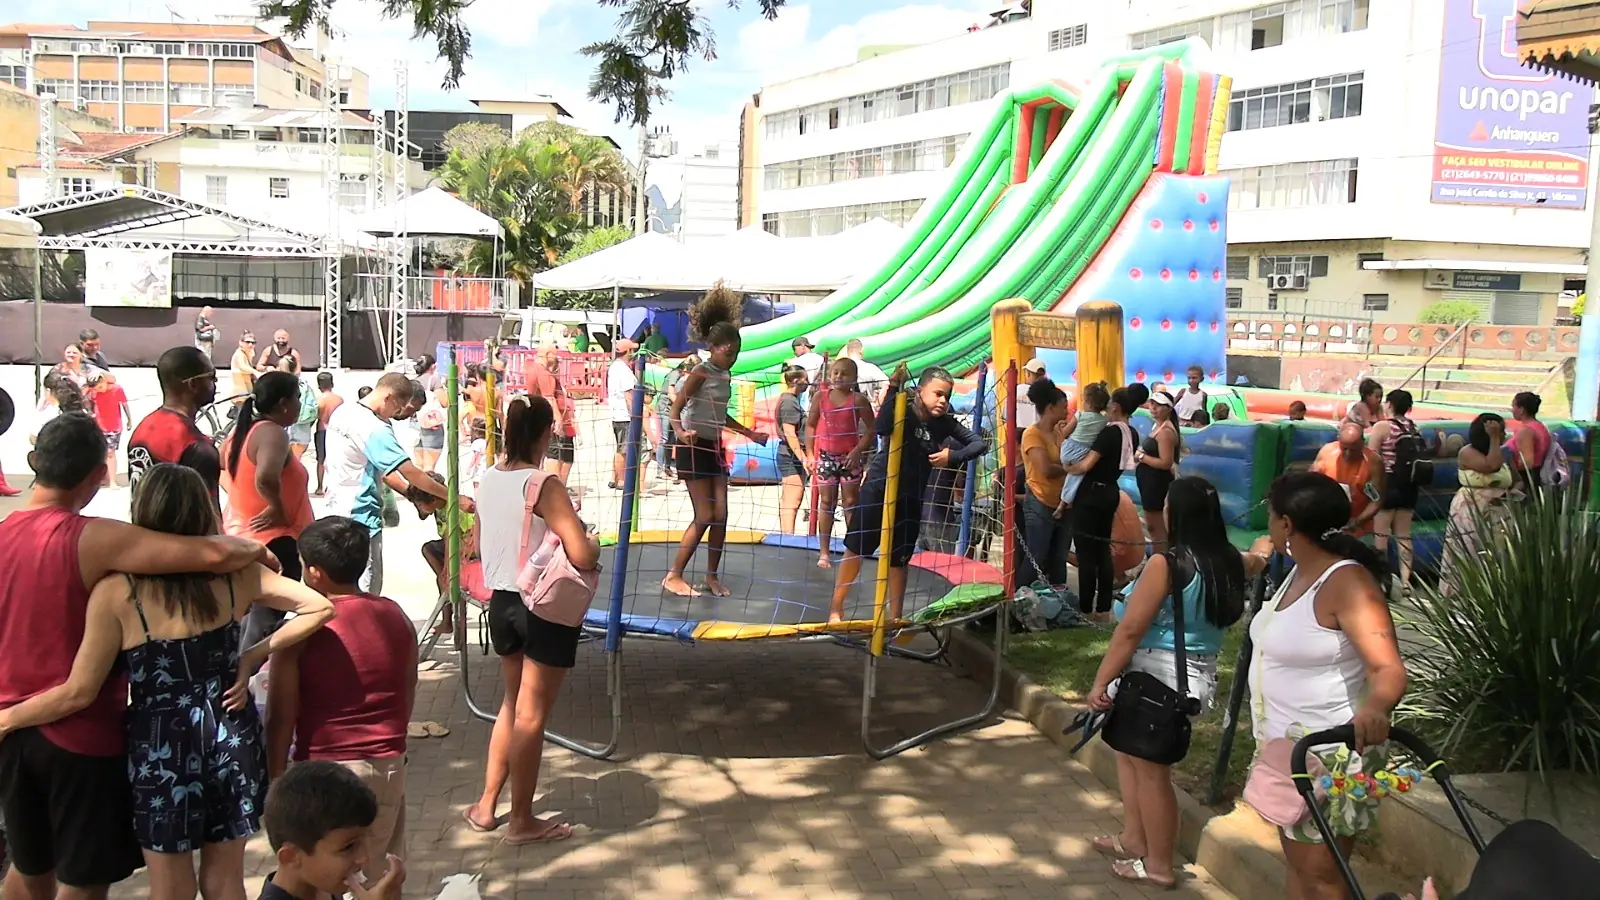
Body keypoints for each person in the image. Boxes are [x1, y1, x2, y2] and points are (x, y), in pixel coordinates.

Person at [0, 462, 333, 900]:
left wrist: (9, 718)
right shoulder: (238, 577)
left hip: (160, 743)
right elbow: (319, 607)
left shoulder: (119, 592)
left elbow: (79, 689)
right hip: (229, 730)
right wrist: (253, 656)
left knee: (170, 885)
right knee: (226, 877)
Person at [1246, 471, 1406, 900]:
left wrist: (1376, 707)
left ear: (1287, 524)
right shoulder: (1297, 574)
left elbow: (1389, 669)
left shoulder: (1347, 582)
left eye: (1272, 514)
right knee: (1301, 868)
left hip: (1333, 755)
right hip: (1287, 751)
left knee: (1323, 876)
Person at [1087, 476, 1249, 889]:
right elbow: (1257, 559)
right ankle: (1132, 837)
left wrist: (1101, 681)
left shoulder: (1168, 564)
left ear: (1176, 514)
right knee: (1129, 755)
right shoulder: (1229, 559)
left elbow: (1129, 630)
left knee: (1152, 773)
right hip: (1189, 677)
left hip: (1156, 677)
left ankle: (1157, 864)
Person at [465, 395, 599, 844]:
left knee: (510, 705)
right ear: (546, 434)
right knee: (531, 716)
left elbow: (481, 544)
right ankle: (521, 820)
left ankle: (486, 805)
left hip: (502, 602)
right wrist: (592, 544)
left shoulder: (488, 478)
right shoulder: (543, 484)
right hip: (542, 608)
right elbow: (579, 552)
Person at [265, 516, 416, 883]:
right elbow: (408, 690)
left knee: (326, 880)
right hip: (388, 764)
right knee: (382, 872)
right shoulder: (394, 614)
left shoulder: (301, 632)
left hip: (324, 774)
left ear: (314, 573)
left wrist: (275, 782)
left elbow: (280, 719)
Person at [830, 364, 987, 622]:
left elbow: (979, 443)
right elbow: (881, 427)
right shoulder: (904, 408)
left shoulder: (943, 423)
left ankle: (896, 616)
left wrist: (953, 456)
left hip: (911, 495)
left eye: (947, 395)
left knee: (899, 558)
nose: (943, 400)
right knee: (856, 548)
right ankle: (836, 607)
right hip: (880, 488)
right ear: (921, 390)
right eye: (937, 393)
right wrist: (893, 386)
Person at [663, 288, 769, 598]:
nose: (731, 358)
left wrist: (750, 434)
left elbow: (720, 415)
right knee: (705, 515)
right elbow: (675, 407)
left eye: (735, 353)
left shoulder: (726, 375)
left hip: (712, 446)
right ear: (712, 348)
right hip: (692, 446)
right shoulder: (700, 372)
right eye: (727, 353)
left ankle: (711, 576)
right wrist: (681, 433)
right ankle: (674, 575)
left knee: (721, 515)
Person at [324, 372, 464, 594]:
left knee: (341, 586)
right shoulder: (374, 428)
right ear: (389, 397)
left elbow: (382, 470)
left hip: (335, 510)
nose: (398, 413)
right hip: (359, 519)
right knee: (365, 590)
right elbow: (409, 471)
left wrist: (410, 495)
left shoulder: (343, 413)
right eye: (398, 407)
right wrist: (453, 497)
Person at [223, 371, 316, 649]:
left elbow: (223, 470)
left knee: (250, 623)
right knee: (259, 630)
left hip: (248, 536)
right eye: (298, 399)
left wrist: (244, 502)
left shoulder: (244, 431)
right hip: (274, 542)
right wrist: (275, 507)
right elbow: (265, 477)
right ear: (285, 403)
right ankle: (246, 684)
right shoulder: (272, 433)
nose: (301, 406)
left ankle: (241, 680)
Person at [260, 761, 408, 900]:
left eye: (365, 839)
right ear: (291, 857)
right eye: (348, 847)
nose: (365, 857)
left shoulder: (322, 887)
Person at [1064, 387, 1140, 623]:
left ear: (1116, 407)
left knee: (1086, 552)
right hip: (1111, 491)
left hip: (1092, 493)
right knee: (1103, 550)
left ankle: (1086, 606)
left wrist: (1068, 468)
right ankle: (1104, 607)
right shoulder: (1132, 433)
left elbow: (1087, 464)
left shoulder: (1109, 433)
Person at [129, 345, 223, 499]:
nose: (215, 382)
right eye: (211, 376)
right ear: (193, 384)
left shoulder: (143, 429)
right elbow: (208, 517)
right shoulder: (196, 446)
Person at [806, 357, 875, 566]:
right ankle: (824, 552)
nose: (838, 377)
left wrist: (858, 450)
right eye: (835, 372)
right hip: (826, 456)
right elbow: (810, 425)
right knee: (826, 503)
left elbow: (872, 429)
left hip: (849, 457)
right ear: (830, 375)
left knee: (851, 502)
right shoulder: (821, 397)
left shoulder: (858, 401)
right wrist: (810, 453)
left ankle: (852, 551)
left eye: (844, 373)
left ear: (854, 378)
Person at [1367, 389, 1435, 595]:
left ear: (1389, 404)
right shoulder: (1414, 428)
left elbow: (1372, 456)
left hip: (1388, 483)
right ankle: (1406, 581)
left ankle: (1382, 581)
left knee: (1381, 534)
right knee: (1404, 535)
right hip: (1410, 486)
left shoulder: (1382, 427)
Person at [1444, 413, 1513, 581]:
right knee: (1469, 552)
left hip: (1499, 510)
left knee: (1497, 555)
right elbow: (1491, 466)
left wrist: (1510, 493)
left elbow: (1516, 480)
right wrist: (1494, 438)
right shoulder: (1467, 452)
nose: (1504, 435)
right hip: (1471, 509)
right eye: (1500, 431)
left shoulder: (1502, 453)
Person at [411, 473, 478, 635]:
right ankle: (443, 580)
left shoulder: (456, 508)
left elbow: (462, 538)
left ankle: (447, 584)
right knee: (429, 549)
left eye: (420, 504)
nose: (420, 507)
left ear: (433, 499)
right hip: (453, 545)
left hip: (468, 548)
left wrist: (451, 566)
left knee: (446, 580)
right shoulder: (439, 505)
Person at [1019, 379, 1072, 586]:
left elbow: (1062, 460)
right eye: (1063, 407)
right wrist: (1072, 469)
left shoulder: (1058, 432)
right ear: (1050, 408)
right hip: (1039, 502)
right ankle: (1018, 600)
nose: (1067, 411)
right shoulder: (1032, 434)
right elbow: (1046, 469)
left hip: (1062, 502)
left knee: (1059, 558)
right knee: (1036, 557)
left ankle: (1058, 602)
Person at [1311, 422, 1383, 537]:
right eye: (1344, 449)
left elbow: (1376, 500)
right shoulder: (1327, 452)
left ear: (1362, 443)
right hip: (1326, 523)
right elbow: (1310, 483)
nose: (1348, 454)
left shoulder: (1373, 462)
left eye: (1353, 450)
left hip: (1358, 528)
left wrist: (1358, 521)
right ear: (1339, 441)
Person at [1135, 391, 1182, 554]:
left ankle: (1161, 560)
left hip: (1156, 483)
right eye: (1152, 403)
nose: (1153, 407)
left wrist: (1141, 456)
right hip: (1150, 482)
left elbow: (1165, 462)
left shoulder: (1166, 432)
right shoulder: (1158, 426)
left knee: (1156, 527)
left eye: (1159, 405)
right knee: (1153, 525)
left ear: (1168, 409)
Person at [1055, 382, 1110, 518]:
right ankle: (1064, 503)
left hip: (1068, 449)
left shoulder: (1080, 415)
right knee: (1076, 476)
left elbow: (1066, 432)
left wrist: (1059, 429)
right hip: (1084, 452)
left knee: (1070, 473)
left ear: (1089, 403)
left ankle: (1061, 501)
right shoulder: (1104, 421)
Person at [527, 344, 576, 483]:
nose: (556, 358)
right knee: (555, 452)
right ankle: (554, 485)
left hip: (540, 416)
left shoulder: (532, 369)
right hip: (550, 418)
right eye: (554, 354)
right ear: (548, 354)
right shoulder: (543, 373)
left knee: (553, 452)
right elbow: (549, 397)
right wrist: (559, 419)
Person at [775, 365, 810, 535]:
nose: (808, 383)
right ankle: (787, 536)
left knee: (793, 498)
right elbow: (790, 433)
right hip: (790, 456)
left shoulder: (791, 399)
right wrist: (803, 458)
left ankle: (787, 534)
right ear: (796, 381)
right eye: (805, 379)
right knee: (791, 500)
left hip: (792, 454)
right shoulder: (789, 401)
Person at [607, 340, 642, 491]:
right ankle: (622, 480)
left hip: (617, 413)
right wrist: (636, 415)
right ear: (628, 352)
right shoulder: (624, 370)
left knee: (620, 447)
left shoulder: (615, 366)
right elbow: (629, 395)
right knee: (624, 449)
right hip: (625, 415)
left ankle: (614, 478)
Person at [1507, 391, 1551, 496]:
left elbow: (1527, 463)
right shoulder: (1539, 426)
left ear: (1521, 410)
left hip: (1525, 481)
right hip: (1533, 477)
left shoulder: (1526, 431)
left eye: (1514, 406)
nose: (1512, 410)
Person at [92, 373, 131, 489]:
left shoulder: (117, 389)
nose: (99, 390)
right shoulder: (92, 391)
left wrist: (129, 419)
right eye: (96, 388)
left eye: (100, 387)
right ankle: (102, 478)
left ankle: (112, 481)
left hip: (113, 426)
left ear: (104, 381)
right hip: (98, 425)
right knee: (99, 453)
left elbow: (124, 404)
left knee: (110, 452)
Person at [313, 371, 343, 497]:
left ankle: (320, 487)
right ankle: (335, 485)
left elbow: (314, 416)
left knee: (321, 460)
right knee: (336, 458)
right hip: (336, 430)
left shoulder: (319, 400)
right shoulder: (339, 399)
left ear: (319, 385)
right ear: (332, 383)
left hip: (322, 430)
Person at [840, 339, 889, 407]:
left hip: (846, 412)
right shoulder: (870, 368)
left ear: (848, 352)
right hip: (866, 410)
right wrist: (877, 405)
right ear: (861, 351)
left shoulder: (839, 370)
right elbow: (886, 384)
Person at [1016, 358, 1048, 428]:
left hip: (1017, 433)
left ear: (1027, 373)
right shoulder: (1046, 393)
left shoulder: (1016, 390)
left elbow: (1005, 415)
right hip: (1036, 433)